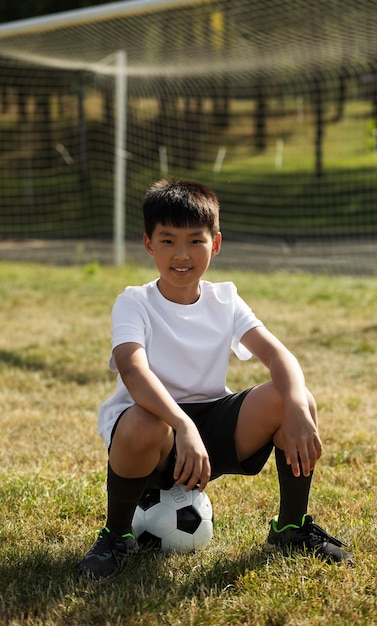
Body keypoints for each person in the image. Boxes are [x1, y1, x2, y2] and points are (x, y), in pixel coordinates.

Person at [79, 178, 352, 580]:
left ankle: (291, 528)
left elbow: (279, 356)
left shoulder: (225, 298)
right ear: (148, 244)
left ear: (216, 244)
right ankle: (116, 535)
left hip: (209, 427)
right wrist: (182, 425)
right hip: (157, 432)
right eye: (168, 241)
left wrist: (295, 407)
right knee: (143, 421)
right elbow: (134, 372)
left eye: (195, 241)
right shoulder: (135, 301)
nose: (182, 255)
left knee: (297, 398)